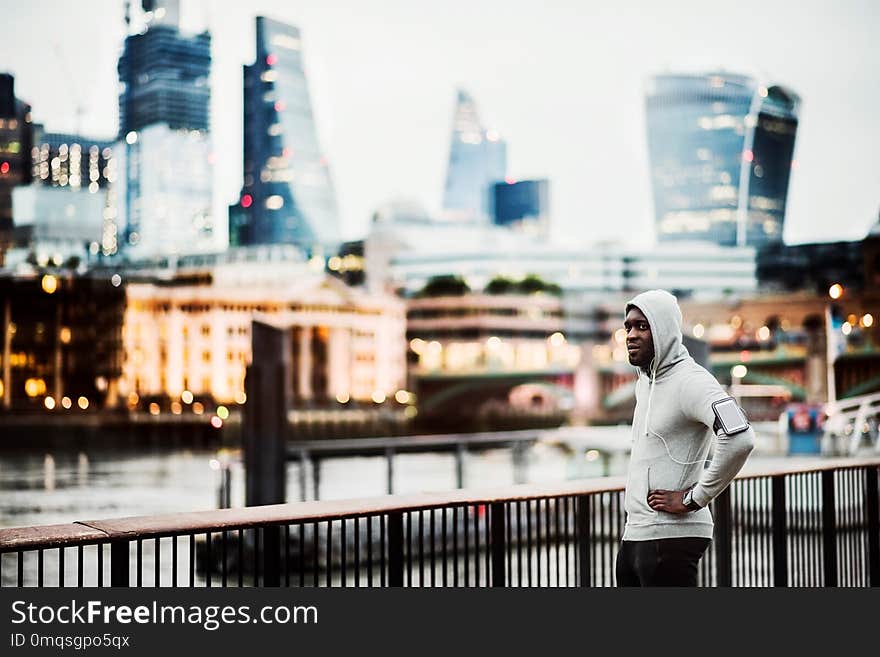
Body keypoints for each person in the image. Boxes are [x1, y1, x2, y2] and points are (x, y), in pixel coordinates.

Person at [616, 289, 755, 586]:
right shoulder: (645, 383)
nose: (631, 334)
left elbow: (740, 437)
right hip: (636, 533)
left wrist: (694, 499)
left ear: (664, 330)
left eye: (643, 326)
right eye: (628, 326)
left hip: (672, 538)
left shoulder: (693, 381)